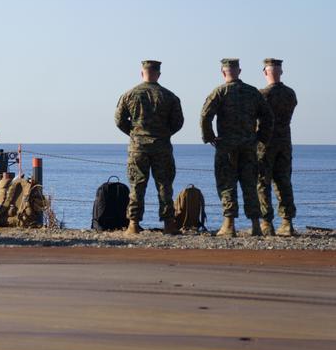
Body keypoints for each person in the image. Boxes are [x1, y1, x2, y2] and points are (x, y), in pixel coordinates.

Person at [200, 58, 273, 237]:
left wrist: (210, 138)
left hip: (226, 146)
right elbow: (268, 116)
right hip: (249, 145)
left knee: (227, 184)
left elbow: (205, 116)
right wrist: (260, 138)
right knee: (250, 184)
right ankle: (256, 225)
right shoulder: (253, 92)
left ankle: (229, 225)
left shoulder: (219, 92)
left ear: (223, 72)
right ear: (239, 71)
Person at [114, 60, 184, 235]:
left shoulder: (129, 95)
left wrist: (134, 133)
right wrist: (164, 133)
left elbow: (119, 120)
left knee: (137, 185)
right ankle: (169, 224)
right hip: (162, 147)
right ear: (158, 74)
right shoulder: (169, 96)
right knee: (165, 186)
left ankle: (133, 224)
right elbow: (178, 122)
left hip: (138, 148)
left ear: (142, 73)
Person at [257, 58, 299, 236]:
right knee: (284, 182)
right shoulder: (290, 94)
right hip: (284, 142)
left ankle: (266, 222)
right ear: (280, 72)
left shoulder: (261, 95)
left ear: (265, 72)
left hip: (265, 144)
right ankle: (287, 222)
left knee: (262, 183)